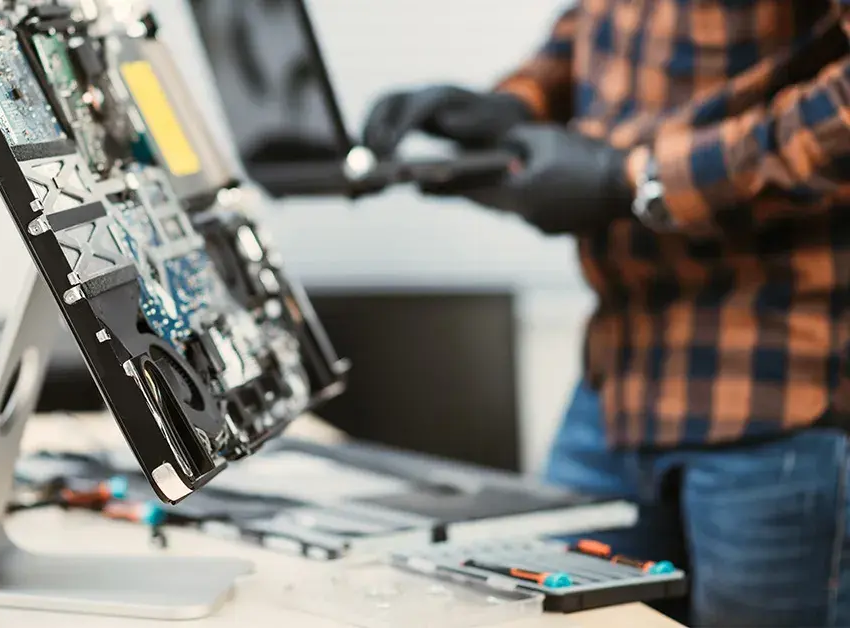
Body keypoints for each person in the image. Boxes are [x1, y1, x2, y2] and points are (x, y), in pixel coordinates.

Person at [362, 3, 850, 627]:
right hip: (619, 380)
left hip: (781, 397)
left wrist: (640, 179)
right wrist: (519, 103)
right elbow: (615, 25)